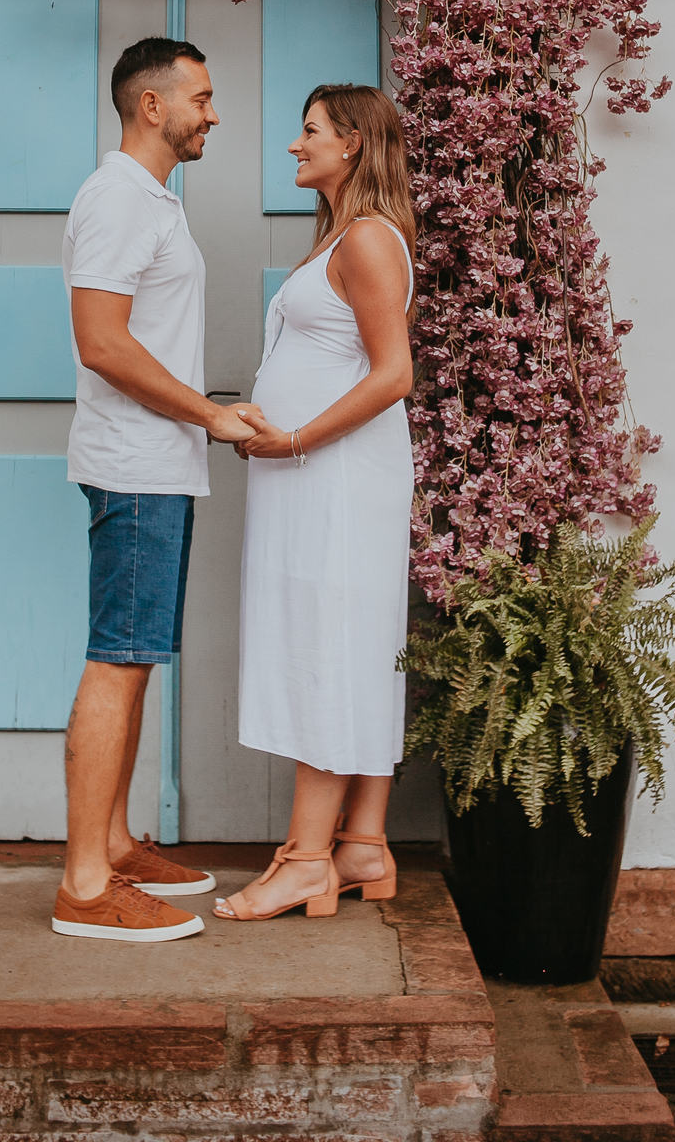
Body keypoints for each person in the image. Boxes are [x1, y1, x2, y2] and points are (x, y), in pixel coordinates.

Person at [53, 36, 255, 942]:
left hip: (158, 463)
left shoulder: (151, 202)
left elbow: (146, 340)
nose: (212, 113)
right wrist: (207, 416)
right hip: (135, 465)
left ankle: (118, 843)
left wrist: (204, 416)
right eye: (202, 98)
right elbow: (101, 341)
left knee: (134, 663)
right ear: (152, 106)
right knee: (117, 659)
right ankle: (85, 886)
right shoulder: (117, 200)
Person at [214, 83, 416, 922]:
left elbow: (394, 374)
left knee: (328, 644)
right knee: (353, 641)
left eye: (310, 133)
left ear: (354, 145)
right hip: (323, 475)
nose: (296, 147)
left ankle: (305, 862)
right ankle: (361, 842)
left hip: (330, 476)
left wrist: (295, 439)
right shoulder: (345, 236)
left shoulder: (367, 239)